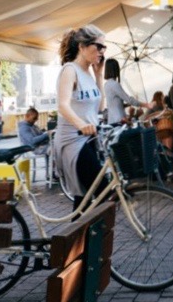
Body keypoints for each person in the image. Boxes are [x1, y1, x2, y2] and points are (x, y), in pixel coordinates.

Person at [53, 25, 106, 211]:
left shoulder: (89, 73)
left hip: (89, 138)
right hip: (73, 140)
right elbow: (63, 105)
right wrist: (82, 124)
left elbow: (100, 107)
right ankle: (83, 237)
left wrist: (99, 76)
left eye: (103, 48)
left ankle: (78, 239)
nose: (102, 52)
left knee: (83, 198)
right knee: (103, 190)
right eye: (99, 47)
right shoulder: (70, 70)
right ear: (82, 47)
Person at [103, 58, 142, 124]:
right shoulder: (115, 84)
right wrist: (145, 104)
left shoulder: (106, 85)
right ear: (116, 69)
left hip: (112, 120)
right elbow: (129, 99)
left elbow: (114, 104)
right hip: (119, 120)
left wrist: (127, 105)